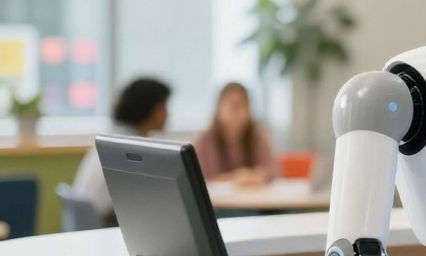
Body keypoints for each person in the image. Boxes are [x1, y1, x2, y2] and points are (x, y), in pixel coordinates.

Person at [71, 77, 172, 222]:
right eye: (164, 106)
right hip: (109, 226)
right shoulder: (131, 150)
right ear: (152, 108)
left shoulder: (111, 141)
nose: (168, 113)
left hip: (93, 223)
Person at [193, 82, 279, 186]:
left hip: (253, 199)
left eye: (244, 105)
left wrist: (259, 176)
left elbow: (274, 172)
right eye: (233, 106)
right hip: (217, 201)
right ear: (219, 107)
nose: (239, 112)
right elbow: (198, 177)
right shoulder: (205, 141)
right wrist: (235, 177)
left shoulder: (258, 137)